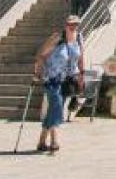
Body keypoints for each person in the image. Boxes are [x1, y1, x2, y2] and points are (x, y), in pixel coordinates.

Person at [32, 16, 85, 154]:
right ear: (66, 25)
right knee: (57, 106)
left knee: (54, 109)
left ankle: (42, 141)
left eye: (76, 24)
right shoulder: (57, 37)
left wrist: (81, 75)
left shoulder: (79, 38)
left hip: (68, 80)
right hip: (52, 78)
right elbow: (40, 55)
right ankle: (55, 141)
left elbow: (81, 58)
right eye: (70, 24)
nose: (73, 27)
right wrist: (37, 73)